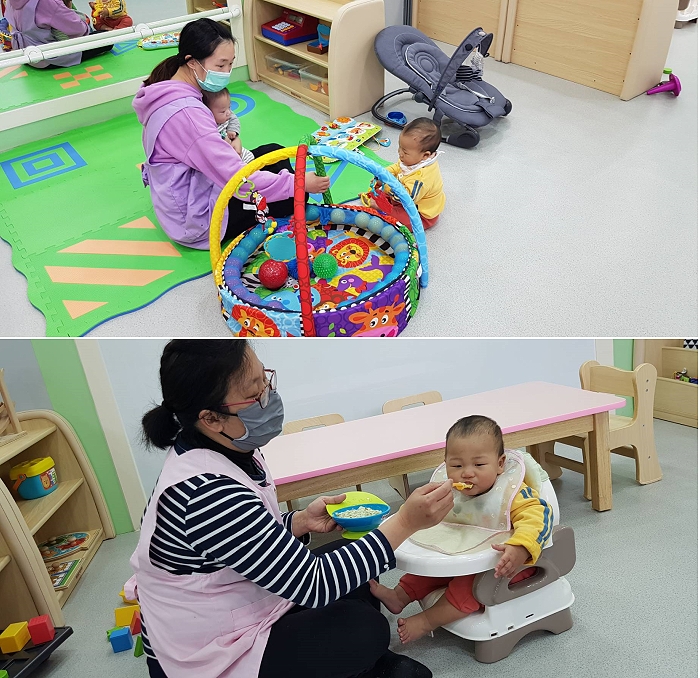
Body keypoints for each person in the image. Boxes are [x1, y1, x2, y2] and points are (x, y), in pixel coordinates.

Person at [125, 339, 454, 678]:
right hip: (209, 650)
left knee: (354, 568)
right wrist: (405, 522)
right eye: (254, 394)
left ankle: (355, 663)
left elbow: (239, 538)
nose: (268, 395)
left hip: (235, 600)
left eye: (265, 380)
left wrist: (298, 521)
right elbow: (314, 584)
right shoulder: (205, 493)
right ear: (211, 418)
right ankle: (357, 661)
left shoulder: (229, 448)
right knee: (364, 627)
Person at [133, 18, 329, 249]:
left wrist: (229, 141)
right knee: (294, 197)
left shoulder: (169, 84)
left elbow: (206, 147)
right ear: (192, 62)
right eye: (220, 66)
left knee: (274, 152)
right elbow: (235, 178)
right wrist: (298, 184)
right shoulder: (187, 114)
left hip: (192, 186)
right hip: (198, 218)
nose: (227, 73)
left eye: (230, 64)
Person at [370, 415, 553, 644]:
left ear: (500, 464)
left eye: (479, 465)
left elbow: (540, 517)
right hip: (466, 551)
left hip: (506, 565)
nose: (466, 473)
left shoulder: (511, 493)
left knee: (467, 586)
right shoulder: (451, 492)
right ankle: (399, 595)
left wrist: (520, 547)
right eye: (457, 465)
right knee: (428, 570)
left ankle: (427, 621)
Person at [364, 117, 445, 231]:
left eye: (405, 152)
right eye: (400, 147)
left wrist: (386, 185)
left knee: (396, 220)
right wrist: (383, 174)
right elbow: (397, 167)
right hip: (405, 194)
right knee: (379, 193)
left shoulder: (421, 178)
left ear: (425, 155)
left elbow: (405, 198)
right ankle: (381, 202)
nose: (400, 153)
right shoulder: (413, 160)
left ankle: (383, 208)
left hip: (420, 213)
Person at [5, 0, 112, 68]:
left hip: (23, 52)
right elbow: (78, 29)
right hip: (44, 57)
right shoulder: (47, 2)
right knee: (107, 38)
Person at [201, 87, 255, 165]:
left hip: (236, 149)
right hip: (225, 158)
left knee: (249, 158)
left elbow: (234, 119)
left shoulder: (226, 117)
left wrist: (232, 130)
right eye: (223, 111)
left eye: (229, 107)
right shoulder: (208, 128)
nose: (229, 112)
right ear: (208, 112)